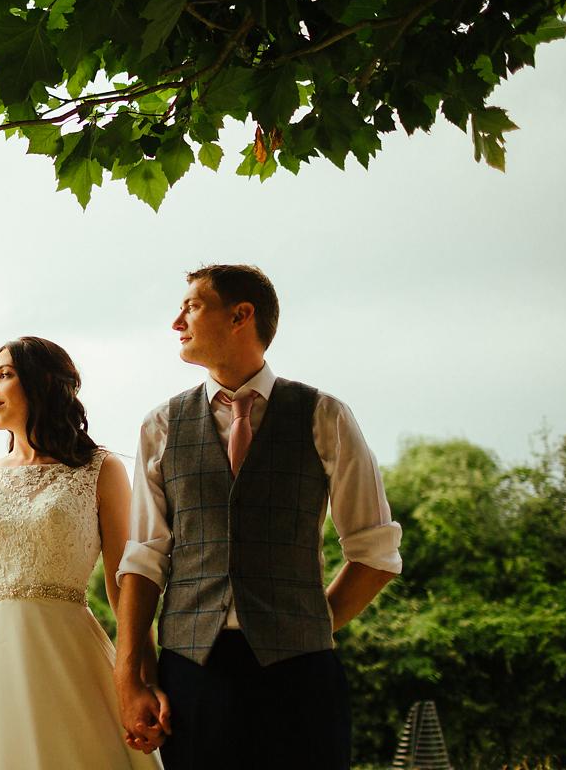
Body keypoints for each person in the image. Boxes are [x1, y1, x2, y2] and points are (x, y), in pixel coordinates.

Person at [114, 265, 404, 769]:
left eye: (192, 306)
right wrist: (130, 679)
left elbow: (374, 553)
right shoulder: (159, 426)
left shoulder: (325, 415)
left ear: (241, 315)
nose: (176, 320)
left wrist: (310, 624)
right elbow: (143, 561)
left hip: (300, 677)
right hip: (191, 676)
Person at [0, 336, 162, 770]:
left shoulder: (101, 470)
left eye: (4, 375)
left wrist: (144, 677)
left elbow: (123, 585)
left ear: (44, 383)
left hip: (69, 664)